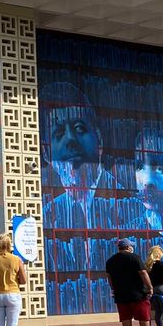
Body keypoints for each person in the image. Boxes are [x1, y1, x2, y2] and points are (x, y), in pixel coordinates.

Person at [41, 97, 117, 230]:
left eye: (79, 128)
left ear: (99, 139)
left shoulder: (132, 209)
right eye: (59, 133)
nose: (70, 139)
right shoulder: (46, 216)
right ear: (46, 152)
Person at [105, 239, 156, 326]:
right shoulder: (134, 257)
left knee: (125, 317)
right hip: (137, 292)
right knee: (143, 315)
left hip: (120, 293)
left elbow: (109, 277)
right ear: (128, 247)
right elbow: (143, 273)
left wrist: (113, 288)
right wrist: (150, 287)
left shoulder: (110, 260)